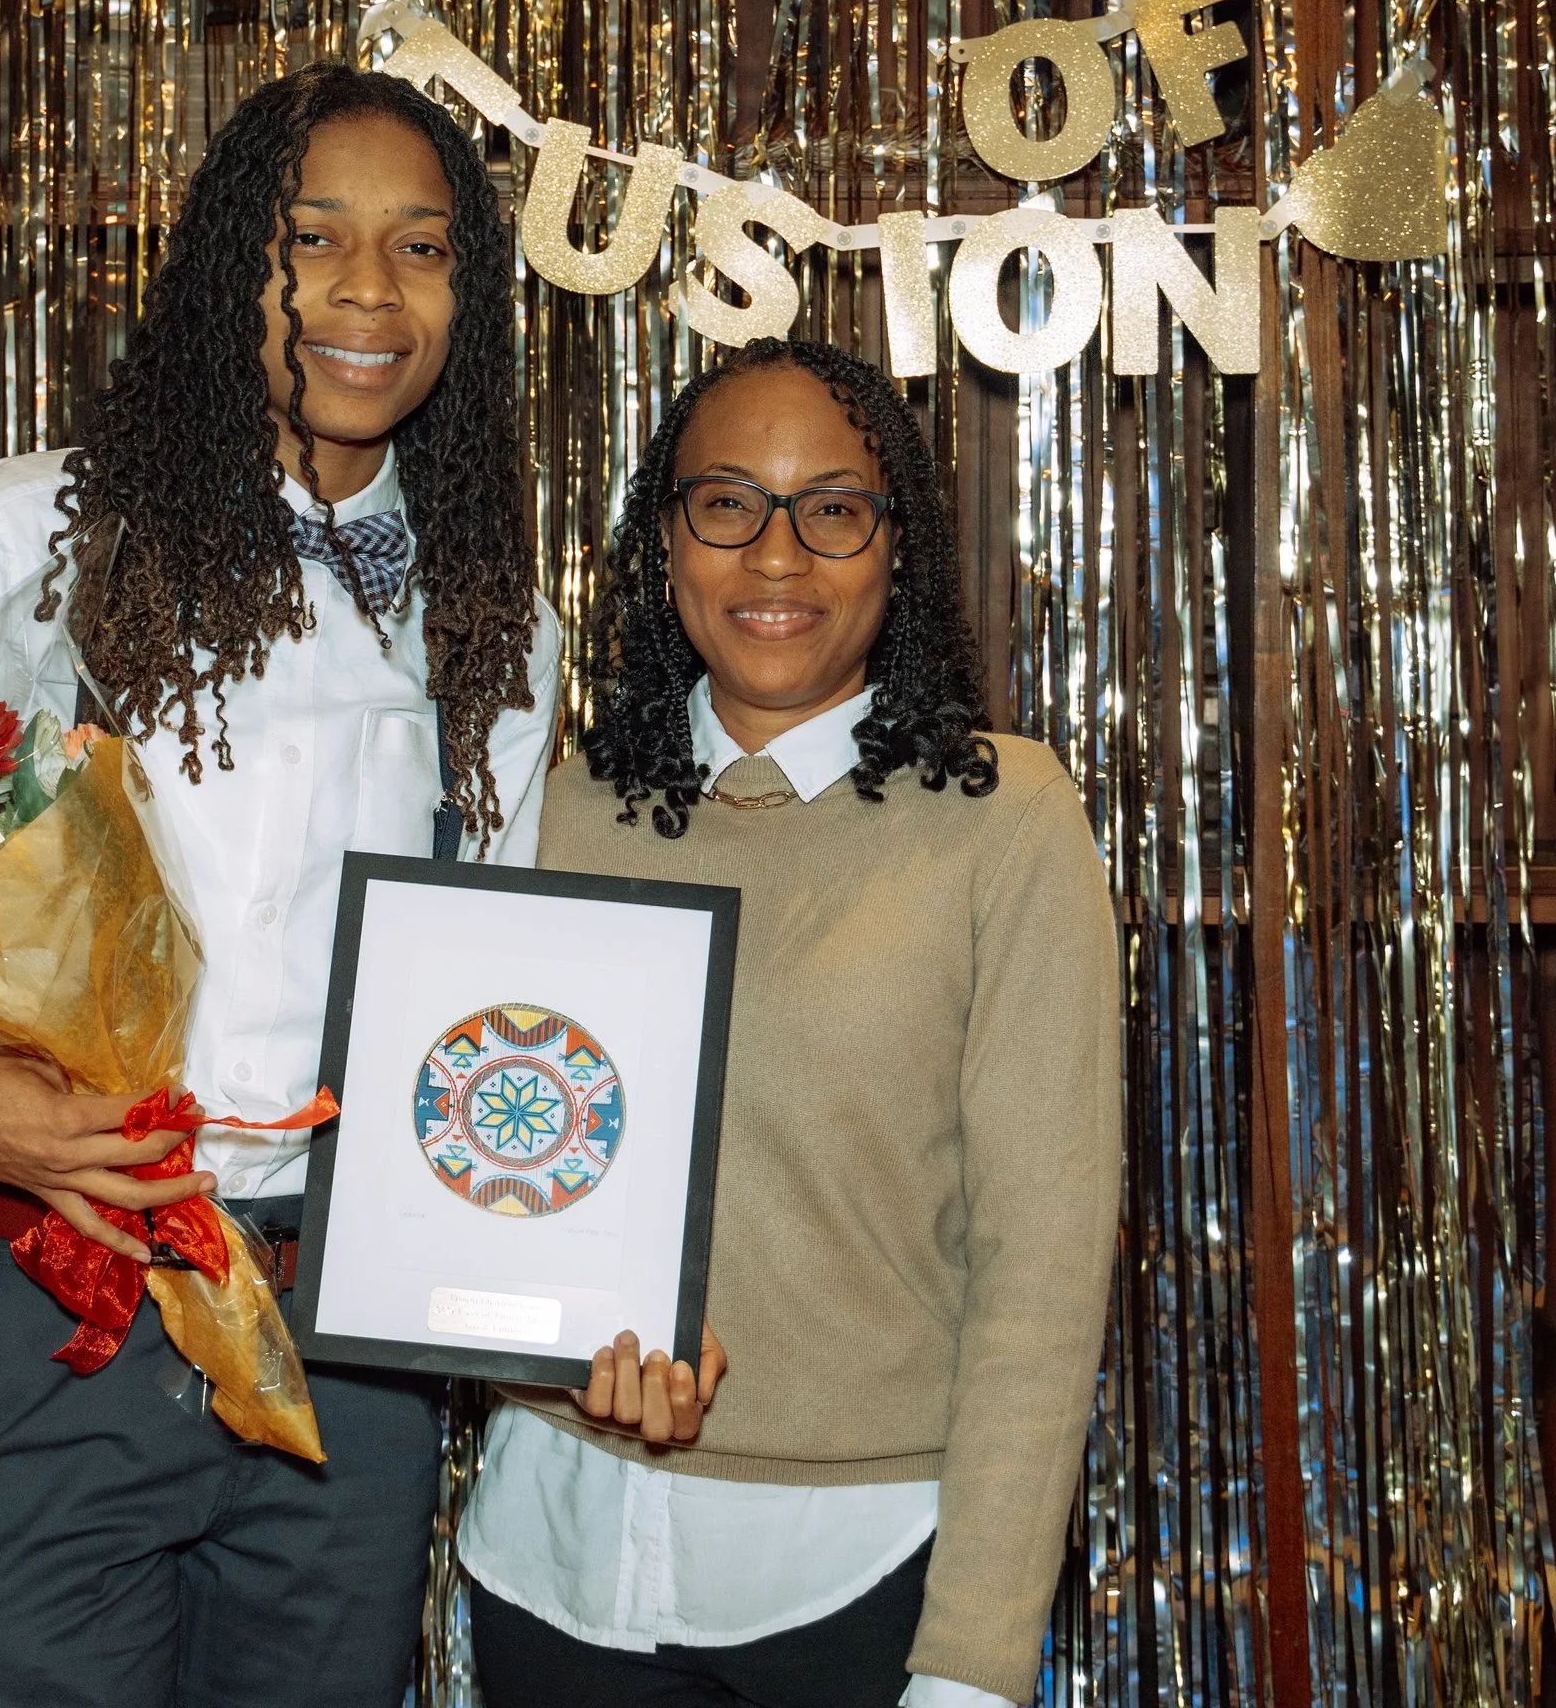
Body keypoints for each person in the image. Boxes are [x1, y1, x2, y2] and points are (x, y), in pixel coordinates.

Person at [0, 62, 562, 1706]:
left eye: (421, 247)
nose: (365, 292)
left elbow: (496, 1003)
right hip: (43, 1306)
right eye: (309, 238)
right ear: (219, 266)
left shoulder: (493, 623)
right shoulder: (26, 543)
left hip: (346, 1348)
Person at [457, 338, 1120, 1708]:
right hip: (547, 1566)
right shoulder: (561, 804)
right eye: (727, 504)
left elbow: (1044, 1266)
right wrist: (544, 1365)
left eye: (832, 508)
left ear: (897, 548)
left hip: (855, 1584)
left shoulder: (1006, 816)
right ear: (665, 542)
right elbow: (483, 1184)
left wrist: (975, 1660)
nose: (776, 557)